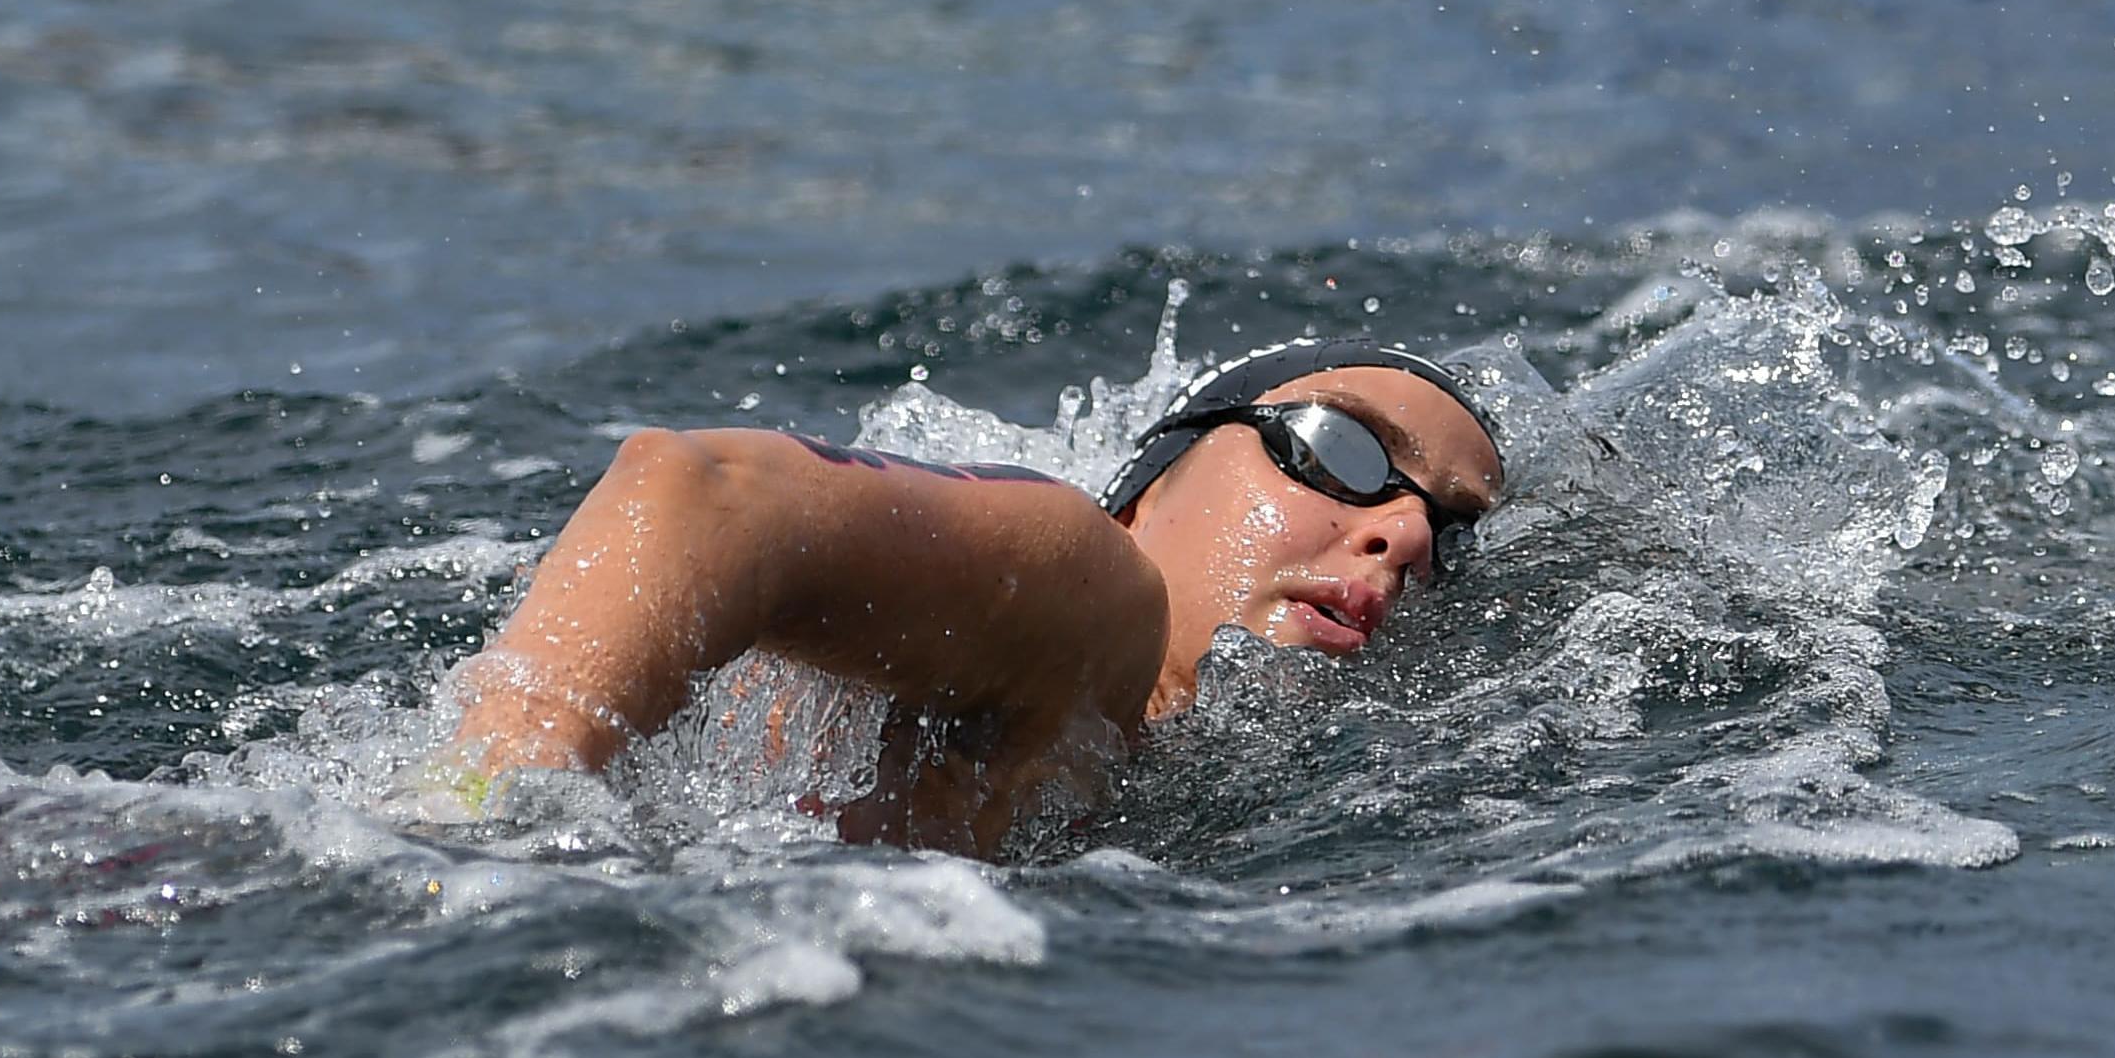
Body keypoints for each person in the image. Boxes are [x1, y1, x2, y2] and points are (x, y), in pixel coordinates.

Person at [449, 338, 1537, 856]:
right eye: (1337, 449)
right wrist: (482, 824)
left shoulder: (1166, 769)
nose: (1399, 534)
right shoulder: (1094, 594)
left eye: (1450, 536)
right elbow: (702, 494)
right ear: (1145, 491)